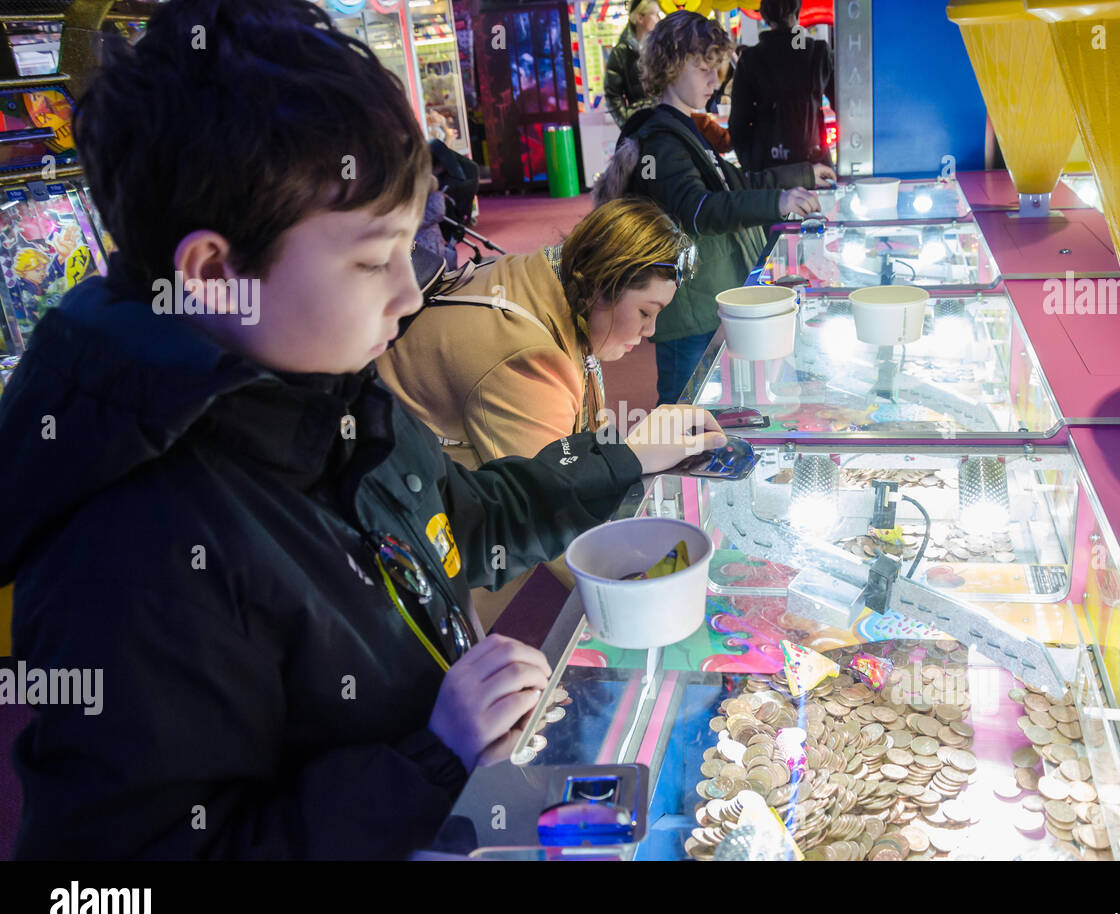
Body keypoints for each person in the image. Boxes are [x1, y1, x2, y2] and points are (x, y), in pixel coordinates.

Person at [0, 0, 724, 860]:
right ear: (215, 272)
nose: (410, 292)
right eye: (368, 258)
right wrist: (429, 760)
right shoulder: (131, 549)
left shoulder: (321, 387)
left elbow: (466, 518)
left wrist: (622, 458)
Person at [378, 196, 692, 630]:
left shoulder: (543, 275)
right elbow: (554, 506)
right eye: (645, 312)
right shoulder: (527, 358)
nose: (650, 331)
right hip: (429, 561)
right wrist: (645, 596)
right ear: (603, 284)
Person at [595, 10, 834, 406]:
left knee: (708, 406)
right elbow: (699, 209)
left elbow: (736, 186)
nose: (714, 80)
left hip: (707, 302)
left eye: (716, 68)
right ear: (670, 66)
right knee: (684, 407)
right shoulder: (661, 139)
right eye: (703, 68)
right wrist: (780, 199)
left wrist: (801, 175)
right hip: (689, 309)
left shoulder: (683, 128)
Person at [730, 0, 835, 173]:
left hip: (769, 169)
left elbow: (737, 124)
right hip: (816, 164)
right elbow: (845, 107)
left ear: (764, 15)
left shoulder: (750, 59)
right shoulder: (819, 53)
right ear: (798, 10)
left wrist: (753, 165)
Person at [604, 0, 660, 128]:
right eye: (654, 14)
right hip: (640, 126)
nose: (658, 19)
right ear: (640, 18)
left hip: (665, 122)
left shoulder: (659, 48)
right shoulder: (621, 52)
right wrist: (627, 125)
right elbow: (612, 94)